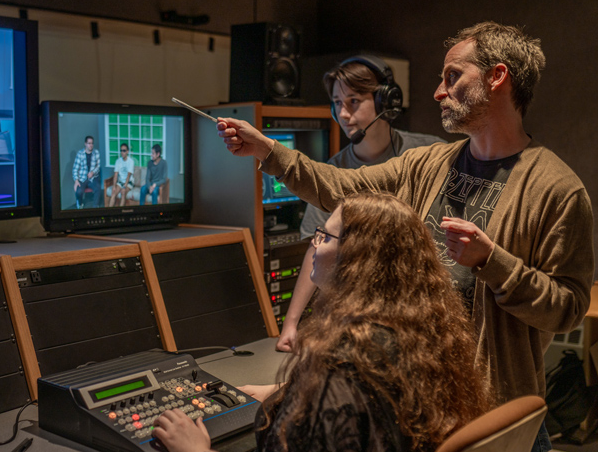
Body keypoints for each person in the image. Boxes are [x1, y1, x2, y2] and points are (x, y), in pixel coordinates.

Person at [215, 21, 593, 451]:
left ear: (497, 77)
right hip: (417, 404)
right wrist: (267, 150)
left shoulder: (557, 189)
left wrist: (493, 262)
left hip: (491, 417)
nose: (438, 92)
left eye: (453, 77)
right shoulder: (425, 164)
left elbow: (568, 309)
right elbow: (342, 189)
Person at [153, 193, 493, 452]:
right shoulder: (418, 335)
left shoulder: (342, 363)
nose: (314, 245)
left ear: (357, 258)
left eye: (325, 236)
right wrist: (288, 393)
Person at [276, 56, 444, 352]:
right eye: (337, 102)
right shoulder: (334, 170)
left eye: (353, 101)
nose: (343, 113)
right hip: (366, 318)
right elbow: (317, 247)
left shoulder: (431, 154)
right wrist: (292, 323)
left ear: (386, 102)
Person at [72, 135, 101, 209]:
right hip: (82, 178)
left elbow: (98, 166)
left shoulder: (96, 152)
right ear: (85, 144)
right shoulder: (80, 154)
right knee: (78, 192)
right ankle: (80, 203)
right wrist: (76, 180)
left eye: (92, 143)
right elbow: (75, 169)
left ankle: (95, 206)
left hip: (93, 178)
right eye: (89, 143)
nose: (91, 145)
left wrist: (93, 172)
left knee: (98, 188)